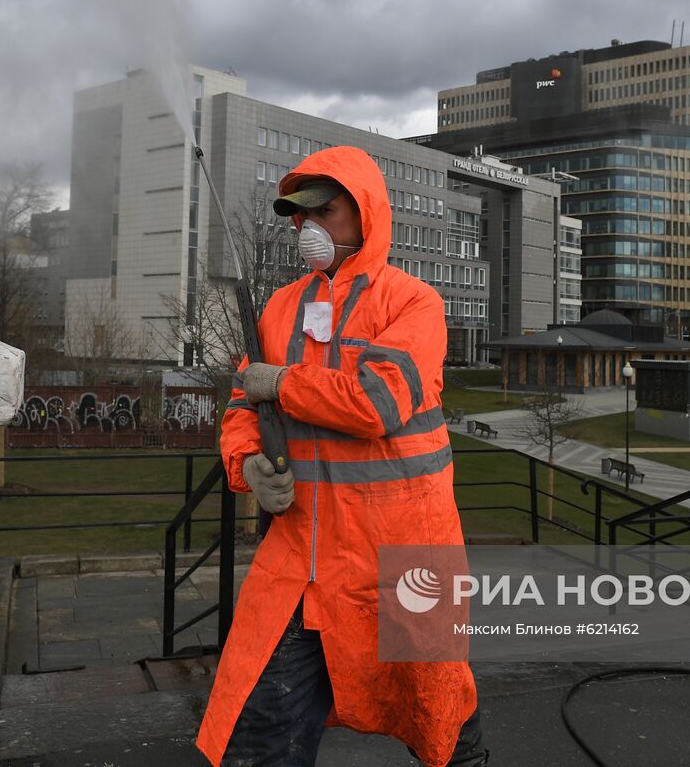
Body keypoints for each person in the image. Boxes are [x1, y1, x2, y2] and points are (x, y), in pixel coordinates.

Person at [195, 146, 487, 766]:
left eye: (323, 211)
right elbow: (243, 406)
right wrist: (245, 462)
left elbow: (376, 404)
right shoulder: (280, 308)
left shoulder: (414, 304)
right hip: (304, 557)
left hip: (405, 554)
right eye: (299, 217)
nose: (308, 229)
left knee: (440, 714)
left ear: (365, 212)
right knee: (260, 727)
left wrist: (281, 383)